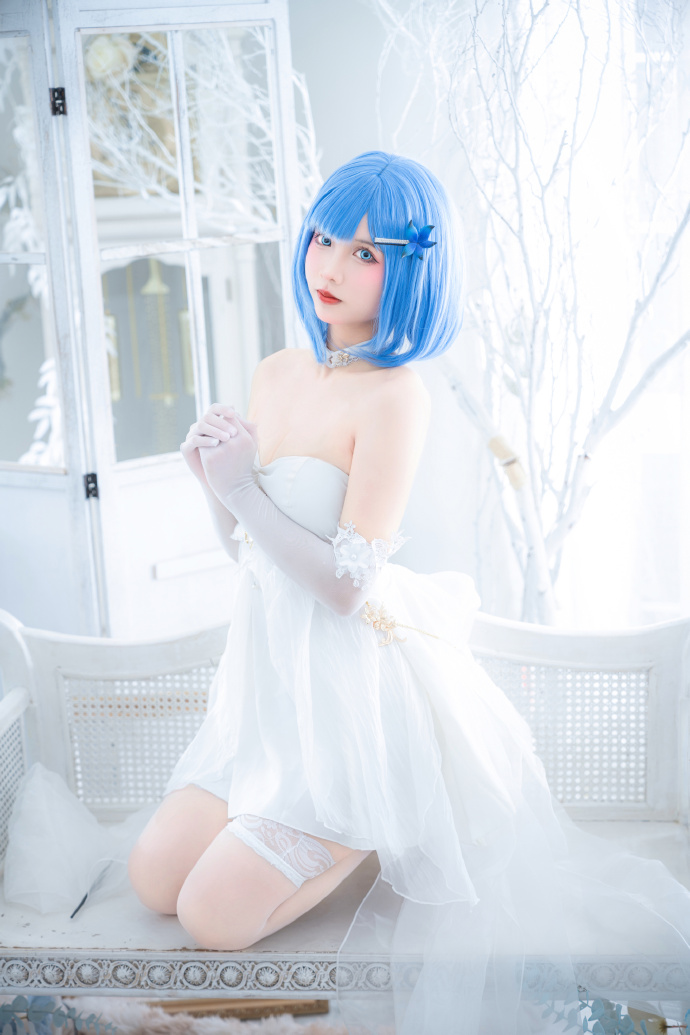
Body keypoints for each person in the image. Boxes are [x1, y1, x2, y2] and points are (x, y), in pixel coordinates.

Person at [126, 151, 690, 1034]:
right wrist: (211, 481)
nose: (330, 266)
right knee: (151, 880)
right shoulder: (277, 371)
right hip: (270, 689)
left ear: (411, 274)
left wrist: (240, 489)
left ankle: (365, 827)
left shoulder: (397, 397)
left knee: (209, 916)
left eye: (366, 253)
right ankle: (290, 822)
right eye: (323, 239)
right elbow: (248, 552)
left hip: (342, 699)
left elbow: (347, 587)